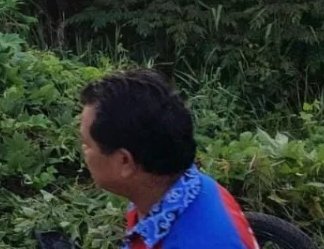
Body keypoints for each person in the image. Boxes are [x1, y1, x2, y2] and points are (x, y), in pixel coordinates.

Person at [79, 69, 258, 249]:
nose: (84, 150)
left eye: (87, 144)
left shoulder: (196, 242)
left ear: (125, 161)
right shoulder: (186, 188)